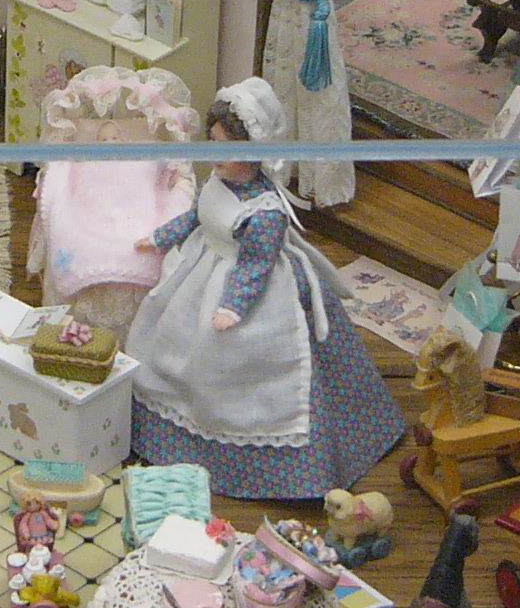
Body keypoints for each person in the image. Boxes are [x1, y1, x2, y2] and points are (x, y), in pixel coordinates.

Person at [125, 78, 407, 498]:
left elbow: (255, 265)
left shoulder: (266, 212)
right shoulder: (216, 182)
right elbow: (195, 217)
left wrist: (233, 306)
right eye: (214, 143)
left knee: (252, 367)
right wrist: (161, 237)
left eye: (229, 148)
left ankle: (269, 460)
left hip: (247, 290)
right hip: (201, 271)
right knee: (173, 342)